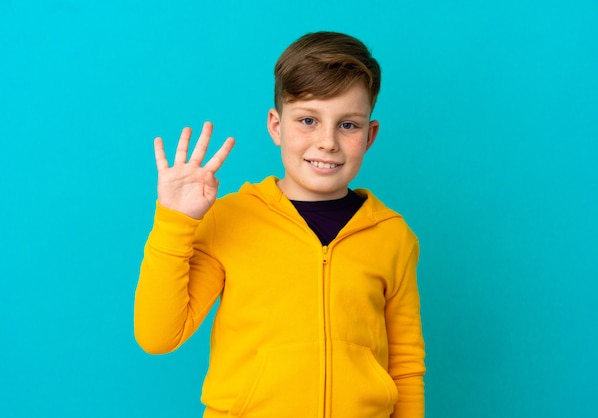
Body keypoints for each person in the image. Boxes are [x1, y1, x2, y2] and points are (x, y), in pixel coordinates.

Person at [134, 31, 425, 418]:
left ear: (369, 135)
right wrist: (176, 221)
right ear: (275, 126)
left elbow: (404, 364)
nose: (327, 142)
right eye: (308, 120)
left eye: (348, 125)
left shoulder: (392, 234)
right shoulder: (230, 218)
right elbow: (158, 336)